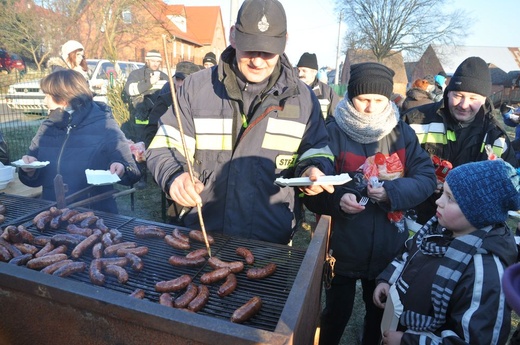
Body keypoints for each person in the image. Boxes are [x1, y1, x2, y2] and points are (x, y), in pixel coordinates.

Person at [146, 0, 335, 244]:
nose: (257, 60)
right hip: (201, 237)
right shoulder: (195, 88)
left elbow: (317, 148)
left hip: (271, 244)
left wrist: (313, 168)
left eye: (267, 51)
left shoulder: (304, 100)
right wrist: (174, 176)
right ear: (234, 36)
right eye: (249, 49)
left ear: (284, 41)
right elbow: (165, 145)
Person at [303, 62, 437, 345]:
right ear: (351, 96)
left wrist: (393, 192)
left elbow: (425, 178)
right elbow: (313, 189)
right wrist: (339, 200)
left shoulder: (402, 133)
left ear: (388, 99)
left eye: (378, 100)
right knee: (336, 313)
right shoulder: (332, 132)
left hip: (388, 249)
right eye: (363, 99)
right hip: (341, 246)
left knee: (377, 316)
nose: (370, 108)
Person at [374, 159, 519, 345]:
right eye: (443, 193)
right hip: (397, 327)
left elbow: (473, 340)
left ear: (477, 213)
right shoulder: (436, 229)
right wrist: (388, 279)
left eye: (450, 198)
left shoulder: (485, 273)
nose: (438, 201)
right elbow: (410, 252)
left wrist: (408, 341)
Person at [403, 56, 518, 225]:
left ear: (485, 99)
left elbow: (510, 192)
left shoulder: (497, 138)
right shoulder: (414, 120)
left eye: (473, 98)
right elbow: (389, 166)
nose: (464, 104)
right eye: (458, 95)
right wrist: (420, 180)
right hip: (414, 220)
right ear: (448, 92)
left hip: (467, 230)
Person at [18, 69, 141, 213]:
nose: (44, 101)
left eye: (47, 95)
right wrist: (29, 170)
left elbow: (131, 170)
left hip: (94, 214)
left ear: (64, 98)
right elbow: (34, 174)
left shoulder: (104, 124)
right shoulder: (48, 127)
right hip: (53, 213)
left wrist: (121, 167)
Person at [124, 49, 168, 188]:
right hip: (141, 118)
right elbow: (129, 90)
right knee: (140, 147)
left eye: (158, 61)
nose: (155, 64)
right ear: (147, 60)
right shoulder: (136, 74)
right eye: (153, 61)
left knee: (158, 145)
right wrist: (149, 83)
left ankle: (157, 175)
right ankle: (141, 177)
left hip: (158, 118)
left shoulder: (165, 77)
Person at [296, 52, 340, 118]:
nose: (299, 74)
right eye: (298, 70)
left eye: (304, 71)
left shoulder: (328, 93)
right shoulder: (291, 90)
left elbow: (334, 119)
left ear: (314, 72)